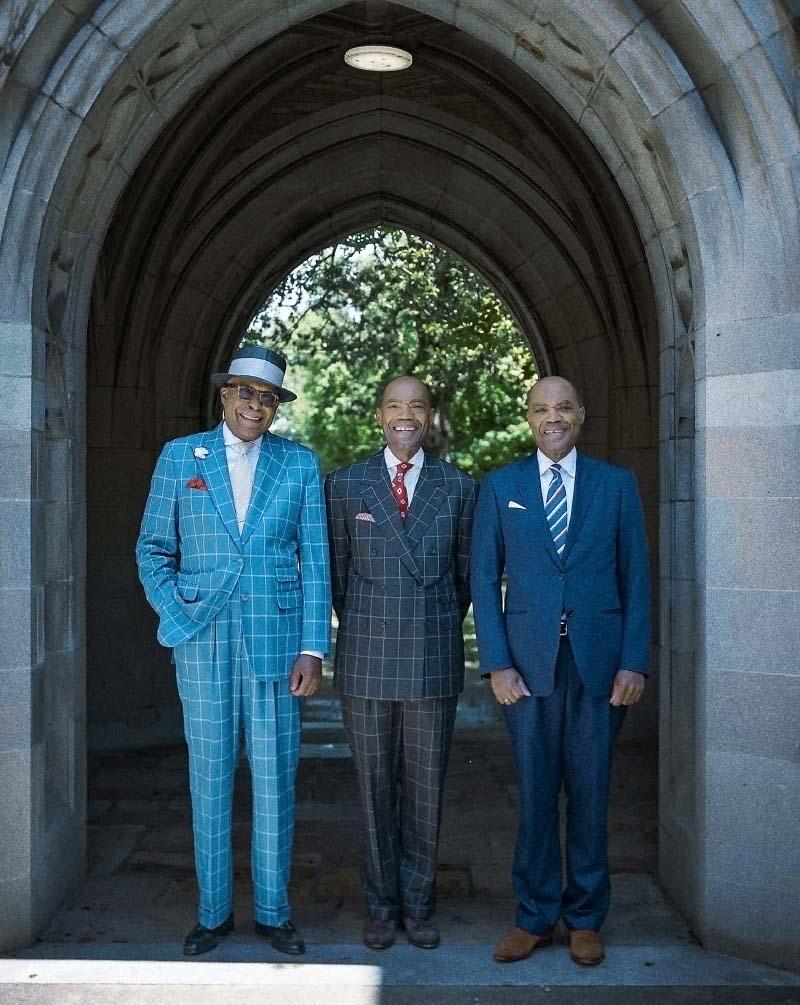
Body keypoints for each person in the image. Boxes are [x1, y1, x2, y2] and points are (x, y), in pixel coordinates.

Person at [136, 346, 331, 958]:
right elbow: (152, 549)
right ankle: (213, 913)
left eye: (267, 396)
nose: (255, 404)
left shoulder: (298, 465)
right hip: (201, 639)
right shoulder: (180, 457)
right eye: (245, 392)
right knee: (210, 775)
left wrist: (312, 647)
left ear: (277, 406)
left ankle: (274, 913)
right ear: (224, 395)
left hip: (276, 645)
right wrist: (177, 614)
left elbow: (316, 561)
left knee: (275, 778)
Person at [470, 376, 650, 967]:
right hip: (526, 669)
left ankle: (586, 918)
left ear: (581, 414)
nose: (553, 418)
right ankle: (534, 917)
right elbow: (483, 581)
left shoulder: (617, 486)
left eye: (564, 407)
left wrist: (634, 661)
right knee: (537, 796)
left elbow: (638, 579)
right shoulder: (502, 488)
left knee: (592, 793)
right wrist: (495, 664)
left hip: (598, 666)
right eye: (542, 409)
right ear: (528, 418)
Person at [325, 376, 477, 951]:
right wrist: (371, 622)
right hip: (365, 659)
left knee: (425, 791)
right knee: (372, 789)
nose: (405, 416)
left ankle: (418, 905)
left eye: (417, 406)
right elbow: (337, 580)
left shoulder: (461, 488)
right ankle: (380, 905)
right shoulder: (344, 486)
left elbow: (464, 581)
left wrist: (424, 621)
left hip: (431, 659)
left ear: (430, 415)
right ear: (379, 415)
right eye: (395, 405)